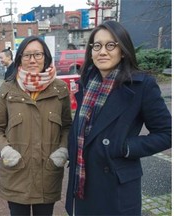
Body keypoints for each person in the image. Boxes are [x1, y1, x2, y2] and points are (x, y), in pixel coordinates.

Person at [65, 21, 172, 216]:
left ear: (122, 50)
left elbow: (166, 133)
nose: (102, 51)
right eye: (97, 46)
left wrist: (126, 147)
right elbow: (81, 128)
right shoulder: (86, 82)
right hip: (83, 182)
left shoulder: (141, 85)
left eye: (110, 45)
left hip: (117, 185)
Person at [0, 35, 72, 216]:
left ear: (46, 57)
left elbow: (67, 126)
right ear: (20, 58)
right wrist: (5, 150)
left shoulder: (60, 89)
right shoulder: (8, 88)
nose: (32, 60)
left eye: (37, 54)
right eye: (27, 55)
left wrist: (63, 149)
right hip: (17, 174)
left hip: (47, 175)